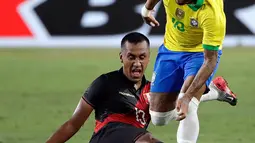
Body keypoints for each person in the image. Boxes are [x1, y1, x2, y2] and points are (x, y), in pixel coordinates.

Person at [141, 0, 237, 143]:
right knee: (159, 118)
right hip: (170, 49)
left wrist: (186, 97)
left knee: (188, 105)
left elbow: (210, 61)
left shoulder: (212, 14)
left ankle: (193, 97)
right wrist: (147, 9)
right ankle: (215, 91)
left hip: (199, 54)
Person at [46, 32, 163, 143]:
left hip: (137, 139)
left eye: (142, 57)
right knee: (148, 140)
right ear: (121, 57)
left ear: (148, 58)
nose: (137, 63)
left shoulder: (153, 92)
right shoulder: (105, 83)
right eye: (131, 57)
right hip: (105, 137)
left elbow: (172, 111)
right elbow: (72, 125)